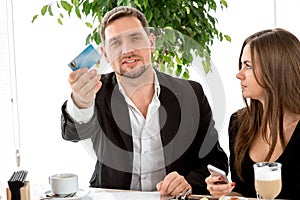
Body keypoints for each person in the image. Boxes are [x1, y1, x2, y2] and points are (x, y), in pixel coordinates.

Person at [61, 6, 228, 196]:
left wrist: (188, 183)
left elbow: (216, 160)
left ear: (151, 43)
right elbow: (71, 134)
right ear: (105, 54)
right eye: (115, 43)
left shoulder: (191, 93)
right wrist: (81, 102)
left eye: (135, 38)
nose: (127, 50)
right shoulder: (97, 93)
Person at [205, 28, 300, 199]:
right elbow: (243, 192)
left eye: (248, 66)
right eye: (241, 65)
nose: (239, 74)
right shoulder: (239, 123)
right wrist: (225, 192)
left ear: (276, 70)